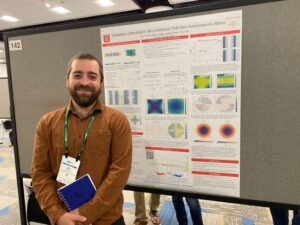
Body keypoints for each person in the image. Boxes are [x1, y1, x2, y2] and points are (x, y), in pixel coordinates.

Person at [31, 53, 132, 225]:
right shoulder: (47, 123)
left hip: (107, 220)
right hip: (64, 219)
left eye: (92, 76)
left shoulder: (117, 121)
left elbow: (119, 173)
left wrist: (85, 213)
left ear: (101, 82)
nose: (84, 82)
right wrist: (57, 215)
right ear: (67, 80)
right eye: (77, 75)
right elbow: (40, 173)